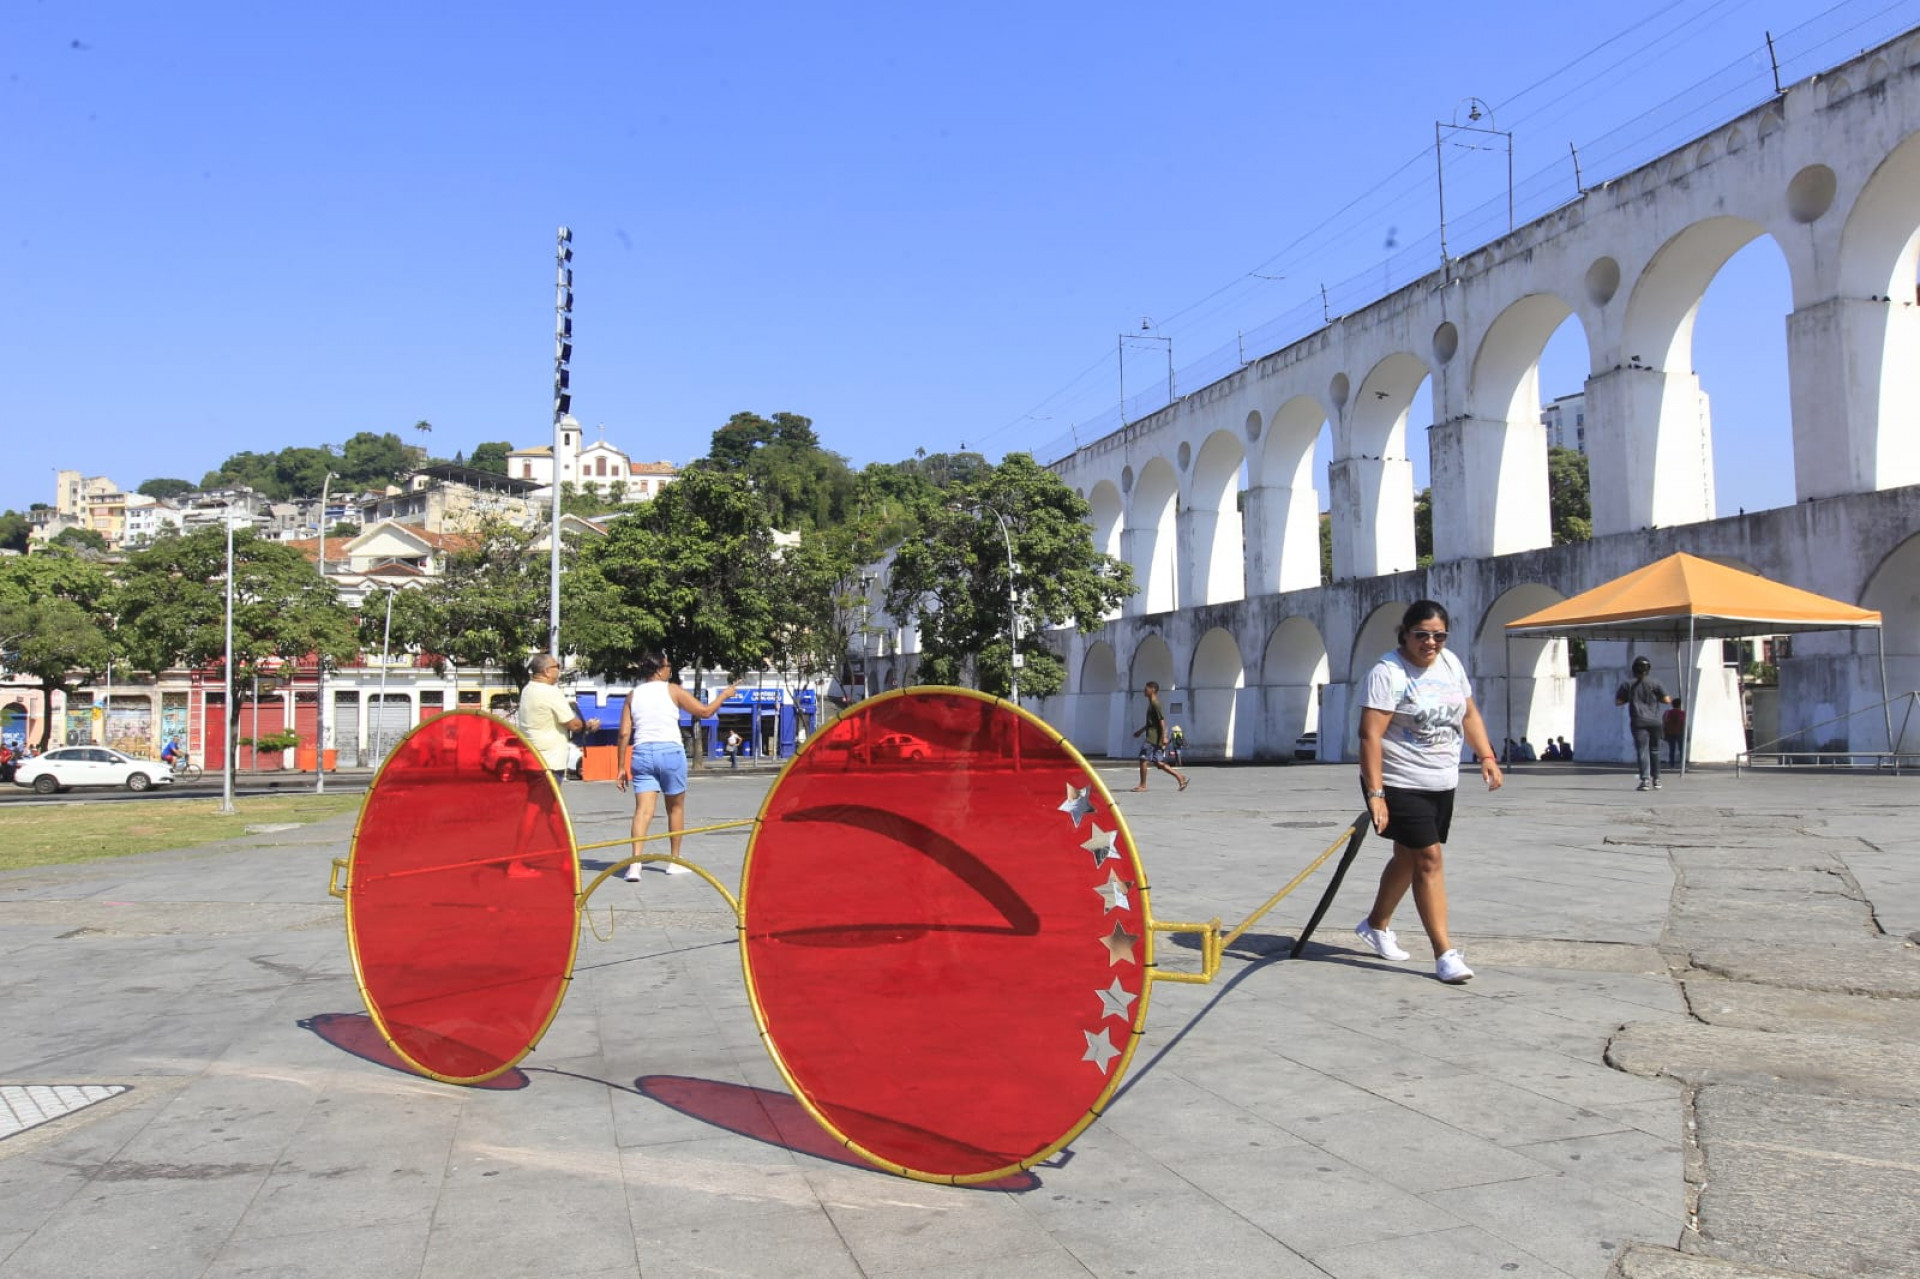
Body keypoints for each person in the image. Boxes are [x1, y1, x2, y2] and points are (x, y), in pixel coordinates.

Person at [1353, 600, 1503, 984]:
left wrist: (1486, 755)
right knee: (1429, 859)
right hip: (1399, 781)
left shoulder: (1450, 664)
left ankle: (1375, 924)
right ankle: (1444, 953)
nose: (1431, 643)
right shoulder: (1388, 673)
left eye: (1439, 636)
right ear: (1405, 633)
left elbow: (1468, 713)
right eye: (1422, 635)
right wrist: (1376, 794)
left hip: (1441, 781)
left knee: (1407, 857)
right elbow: (1370, 736)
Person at [618, 652, 737, 881]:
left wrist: (620, 766)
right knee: (675, 808)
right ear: (659, 669)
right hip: (670, 751)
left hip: (642, 753)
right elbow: (705, 712)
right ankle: (674, 861)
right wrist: (725, 694)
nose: (669, 670)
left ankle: (635, 865)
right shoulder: (672, 690)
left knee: (643, 811)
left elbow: (624, 733)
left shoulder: (633, 695)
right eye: (668, 666)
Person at [516, 653, 596, 786]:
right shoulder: (550, 691)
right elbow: (574, 725)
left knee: (534, 797)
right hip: (549, 762)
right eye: (557, 666)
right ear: (547, 671)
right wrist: (589, 725)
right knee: (546, 798)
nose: (559, 670)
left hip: (531, 758)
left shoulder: (528, 689)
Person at [1616, 656, 1672, 791]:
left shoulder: (1627, 685)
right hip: (1655, 721)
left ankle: (1645, 780)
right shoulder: (1655, 683)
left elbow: (1618, 702)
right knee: (1655, 750)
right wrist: (1656, 698)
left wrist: (1631, 698)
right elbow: (1667, 700)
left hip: (1638, 721)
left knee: (1642, 751)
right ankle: (1657, 779)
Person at [1129, 680, 1189, 792]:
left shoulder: (1155, 704)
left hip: (1152, 738)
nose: (1144, 690)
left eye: (1146, 688)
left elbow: (1162, 721)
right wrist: (1140, 731)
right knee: (1158, 762)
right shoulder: (1151, 704)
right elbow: (1151, 723)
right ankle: (1180, 777)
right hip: (1155, 738)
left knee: (1143, 758)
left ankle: (1143, 785)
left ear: (1152, 690)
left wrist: (1164, 737)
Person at [1663, 700, 1686, 768]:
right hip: (1680, 732)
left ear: (1672, 705)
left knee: (1672, 749)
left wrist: (1664, 732)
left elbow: (1664, 722)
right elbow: (1684, 724)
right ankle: (1682, 764)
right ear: (1680, 705)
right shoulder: (1682, 713)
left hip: (1670, 732)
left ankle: (1672, 764)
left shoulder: (1667, 712)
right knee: (1681, 749)